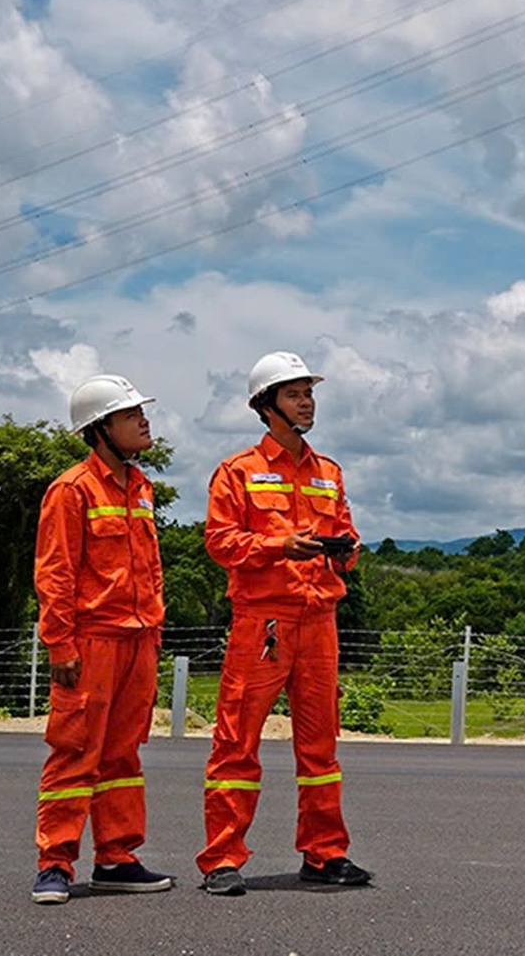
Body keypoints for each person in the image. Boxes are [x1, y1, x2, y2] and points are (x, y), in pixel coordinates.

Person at [196, 350, 371, 896]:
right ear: (266, 405)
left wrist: (345, 552)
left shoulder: (329, 472)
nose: (307, 402)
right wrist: (279, 546)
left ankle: (324, 854)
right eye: (295, 394)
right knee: (237, 741)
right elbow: (220, 542)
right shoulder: (237, 472)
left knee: (321, 746)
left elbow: (346, 534)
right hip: (264, 621)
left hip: (320, 619)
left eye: (310, 393)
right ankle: (222, 859)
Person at [31, 374, 174, 905]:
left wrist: (154, 629)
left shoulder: (141, 486)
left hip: (139, 642)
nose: (144, 420)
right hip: (91, 642)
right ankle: (55, 864)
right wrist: (60, 644)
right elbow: (55, 574)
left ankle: (117, 857)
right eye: (130, 413)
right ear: (100, 428)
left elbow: (152, 569)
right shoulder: (72, 489)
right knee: (75, 752)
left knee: (122, 756)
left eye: (142, 410)